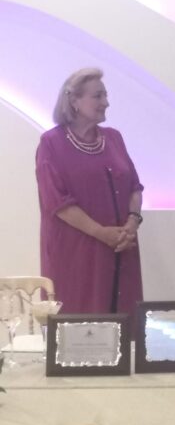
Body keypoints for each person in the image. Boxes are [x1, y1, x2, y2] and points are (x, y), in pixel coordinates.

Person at [36, 68, 144, 323]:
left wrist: (131, 223)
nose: (106, 102)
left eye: (105, 95)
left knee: (124, 326)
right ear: (74, 101)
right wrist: (102, 233)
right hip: (77, 251)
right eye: (98, 96)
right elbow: (57, 202)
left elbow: (135, 187)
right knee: (80, 324)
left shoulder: (114, 138)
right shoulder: (51, 143)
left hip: (122, 246)